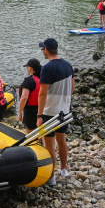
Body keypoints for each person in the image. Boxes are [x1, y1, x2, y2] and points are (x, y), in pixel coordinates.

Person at [38, 38, 74, 186]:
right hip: (64, 110)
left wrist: (39, 115)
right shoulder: (68, 65)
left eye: (42, 49)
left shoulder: (47, 68)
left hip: (50, 111)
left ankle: (51, 176)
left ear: (46, 50)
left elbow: (42, 94)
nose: (42, 52)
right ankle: (64, 169)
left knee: (49, 144)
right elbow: (72, 87)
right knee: (62, 140)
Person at [18, 58, 41, 132]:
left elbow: (24, 97)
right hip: (41, 109)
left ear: (30, 68)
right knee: (39, 130)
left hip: (30, 111)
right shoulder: (41, 79)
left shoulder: (28, 81)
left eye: (27, 67)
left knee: (30, 131)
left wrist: (20, 112)